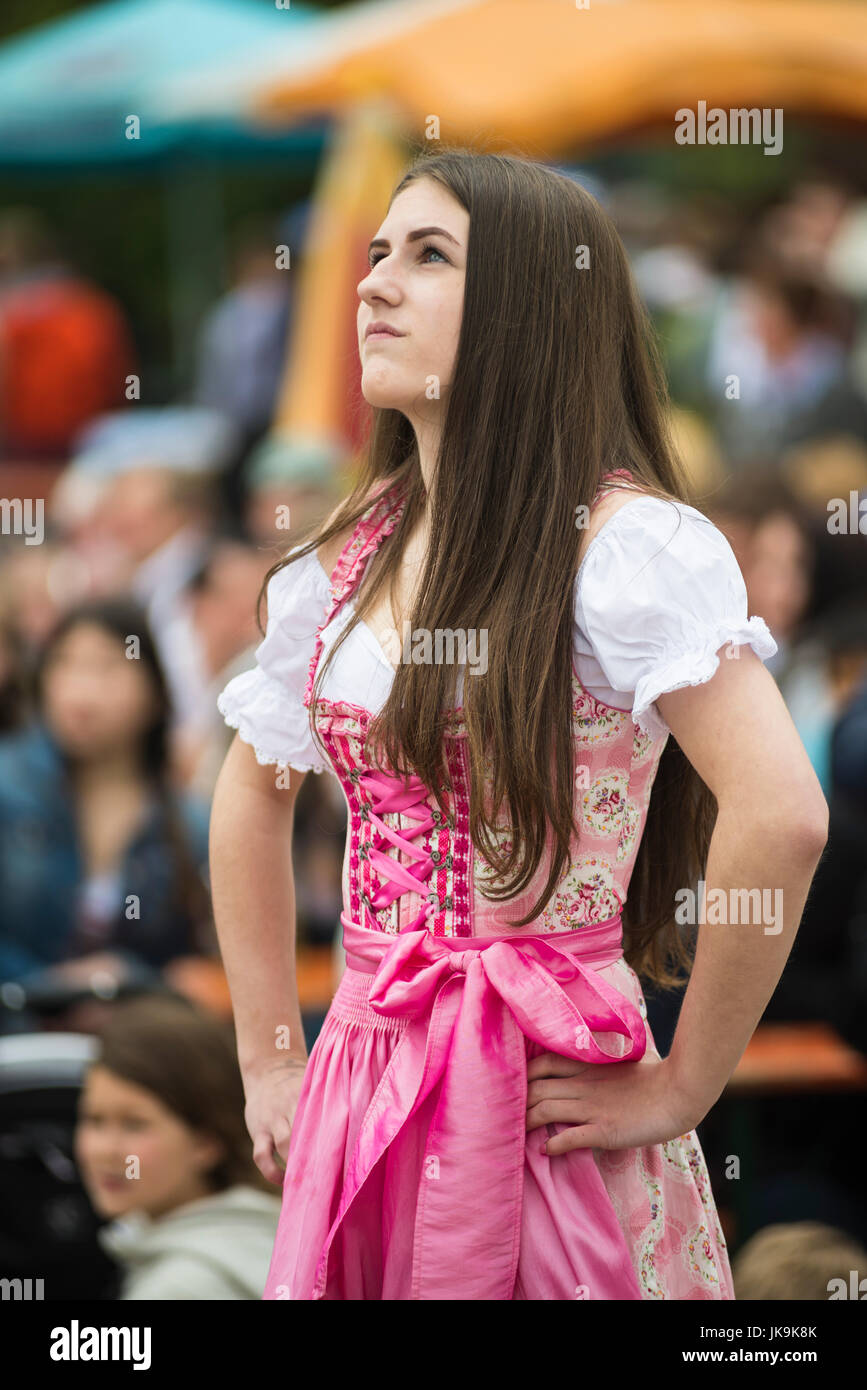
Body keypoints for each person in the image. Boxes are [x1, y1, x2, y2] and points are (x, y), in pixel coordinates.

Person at [209, 148, 829, 1301]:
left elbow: (785, 812)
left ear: (530, 307)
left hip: (547, 1097)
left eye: (430, 256)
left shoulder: (626, 547)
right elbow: (251, 791)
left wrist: (687, 1084)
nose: (373, 283)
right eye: (380, 252)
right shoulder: (344, 562)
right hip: (366, 1081)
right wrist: (270, 1059)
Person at [0, 599, 211, 1006]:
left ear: (154, 690)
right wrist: (52, 991)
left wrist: (134, 983)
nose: (82, 690)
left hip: (135, 1048)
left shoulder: (188, 825)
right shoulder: (9, 790)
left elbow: (193, 967)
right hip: (17, 1041)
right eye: (65, 664)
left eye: (108, 667)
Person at [75, 994, 282, 1299]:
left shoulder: (179, 1287)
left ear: (206, 1143)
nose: (105, 1150)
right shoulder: (270, 1227)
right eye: (95, 1120)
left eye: (134, 1124)